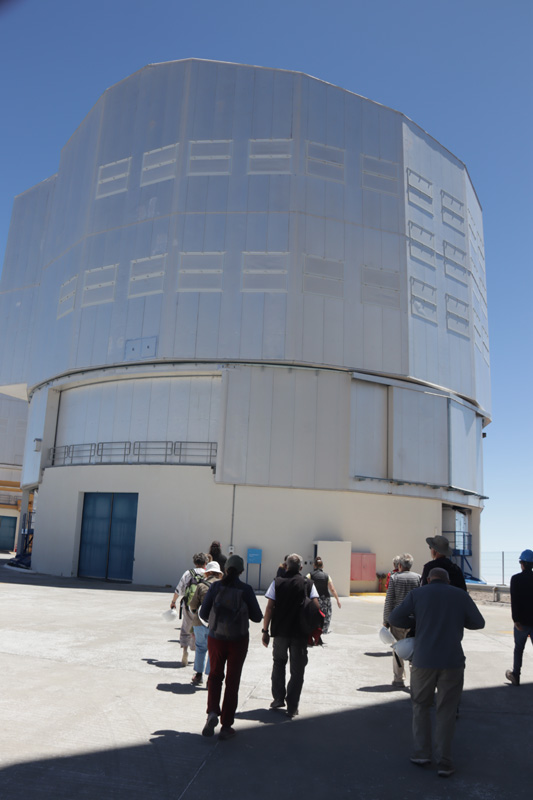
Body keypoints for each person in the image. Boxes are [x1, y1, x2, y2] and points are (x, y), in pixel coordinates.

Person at [389, 567, 485, 778]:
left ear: (428, 579)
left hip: (423, 660)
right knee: (446, 710)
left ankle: (421, 753)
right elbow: (479, 623)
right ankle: (445, 762)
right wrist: (458, 620)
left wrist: (416, 622)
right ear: (448, 581)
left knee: (420, 706)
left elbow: (395, 617)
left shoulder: (417, 594)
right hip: (452, 661)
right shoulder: (460, 595)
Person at [199, 554, 262, 740]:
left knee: (215, 676)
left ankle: (212, 712)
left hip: (216, 639)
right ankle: (226, 726)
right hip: (238, 641)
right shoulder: (246, 589)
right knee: (232, 681)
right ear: (242, 571)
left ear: (225, 569)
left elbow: (203, 613)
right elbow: (257, 617)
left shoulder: (215, 587)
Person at [262, 553, 320, 718]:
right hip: (299, 633)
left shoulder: (277, 582)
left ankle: (278, 698)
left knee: (278, 663)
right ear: (301, 567)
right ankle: (292, 706)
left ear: (286, 566)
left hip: (280, 632)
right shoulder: (308, 583)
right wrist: (314, 630)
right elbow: (316, 607)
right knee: (297, 669)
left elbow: (269, 608)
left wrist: (265, 631)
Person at [383, 553, 421, 688]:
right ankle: (415, 680)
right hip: (414, 621)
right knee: (414, 650)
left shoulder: (394, 578)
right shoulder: (418, 578)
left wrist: (386, 620)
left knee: (397, 650)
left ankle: (399, 679)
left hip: (397, 620)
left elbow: (389, 600)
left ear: (399, 565)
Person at [188, 561, 223, 686]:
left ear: (207, 572)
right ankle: (210, 678)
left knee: (200, 648)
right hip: (216, 624)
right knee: (213, 651)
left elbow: (192, 605)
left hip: (200, 622)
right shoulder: (222, 586)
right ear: (219, 573)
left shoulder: (201, 586)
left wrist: (195, 612)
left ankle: (198, 675)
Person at [170, 552, 208, 665]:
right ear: (205, 563)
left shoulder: (188, 573)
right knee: (199, 630)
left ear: (195, 562)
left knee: (186, 628)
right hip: (202, 607)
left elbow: (178, 589)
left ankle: (185, 651)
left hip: (188, 605)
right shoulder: (207, 574)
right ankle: (197, 656)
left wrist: (173, 602)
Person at [505, 548, 533, 686]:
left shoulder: (516, 579)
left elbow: (514, 600)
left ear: (522, 564)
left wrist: (516, 620)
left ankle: (516, 675)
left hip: (522, 621)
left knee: (519, 649)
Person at [306, 556, 341, 634]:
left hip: (314, 599)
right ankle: (324, 630)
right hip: (325, 599)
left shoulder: (310, 575)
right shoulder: (327, 576)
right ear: (322, 566)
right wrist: (337, 600)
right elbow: (332, 589)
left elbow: (304, 584)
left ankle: (313, 630)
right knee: (326, 615)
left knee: (314, 614)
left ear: (314, 565)